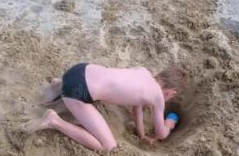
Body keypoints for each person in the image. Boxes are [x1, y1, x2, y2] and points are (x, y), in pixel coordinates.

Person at [22, 63, 188, 151]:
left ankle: (58, 85)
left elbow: (137, 107)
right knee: (108, 146)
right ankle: (54, 121)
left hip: (79, 70)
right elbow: (161, 134)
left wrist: (142, 134)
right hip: (77, 91)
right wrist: (169, 123)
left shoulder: (143, 72)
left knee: (92, 85)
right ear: (171, 93)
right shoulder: (158, 96)